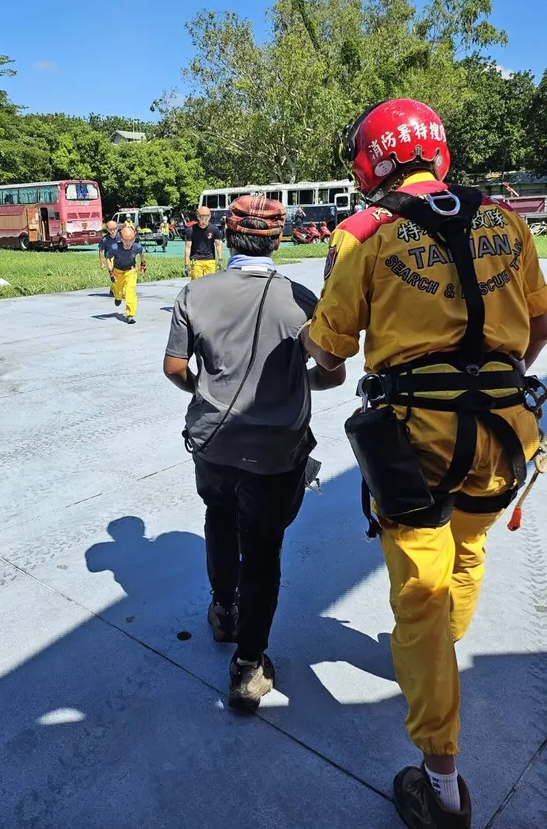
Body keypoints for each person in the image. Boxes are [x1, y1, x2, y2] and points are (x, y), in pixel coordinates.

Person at [301, 99, 547, 829]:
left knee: (419, 596)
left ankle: (441, 785)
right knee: (467, 547)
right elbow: (537, 322)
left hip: (416, 441)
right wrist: (493, 374)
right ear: (435, 151)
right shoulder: (506, 220)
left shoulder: (364, 236)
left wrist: (317, 363)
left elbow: (327, 353)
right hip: (509, 433)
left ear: (368, 165)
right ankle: (448, 651)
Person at [164, 195, 345, 712]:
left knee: (218, 517)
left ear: (225, 236)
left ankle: (222, 609)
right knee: (263, 549)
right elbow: (333, 370)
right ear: (280, 238)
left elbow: (176, 368)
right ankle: (248, 667)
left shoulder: (195, 293)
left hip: (212, 444)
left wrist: (204, 391)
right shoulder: (302, 299)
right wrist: (298, 384)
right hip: (276, 452)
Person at [108, 225, 146, 324]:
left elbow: (141, 254)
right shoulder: (115, 248)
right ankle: (117, 297)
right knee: (119, 290)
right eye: (125, 240)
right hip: (118, 271)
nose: (128, 243)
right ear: (121, 239)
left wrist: (143, 264)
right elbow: (108, 258)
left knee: (130, 290)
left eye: (131, 240)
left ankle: (130, 314)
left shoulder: (137, 246)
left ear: (134, 239)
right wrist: (110, 272)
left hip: (131, 271)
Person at [184, 206, 223, 279]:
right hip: (196, 261)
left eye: (207, 219)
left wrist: (220, 260)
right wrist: (186, 264)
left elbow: (218, 245)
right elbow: (188, 247)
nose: (204, 221)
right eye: (202, 219)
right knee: (197, 285)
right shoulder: (191, 230)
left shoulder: (214, 229)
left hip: (210, 260)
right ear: (198, 217)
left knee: (210, 284)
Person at [99, 220, 121, 296]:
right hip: (110, 259)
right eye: (110, 229)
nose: (113, 231)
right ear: (107, 230)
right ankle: (112, 274)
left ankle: (113, 289)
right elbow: (100, 251)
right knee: (115, 276)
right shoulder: (105, 239)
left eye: (114, 229)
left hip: (120, 257)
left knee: (121, 275)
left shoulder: (121, 236)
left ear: (117, 228)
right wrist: (101, 262)